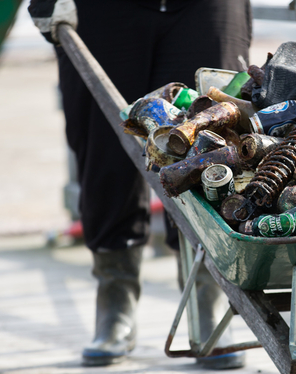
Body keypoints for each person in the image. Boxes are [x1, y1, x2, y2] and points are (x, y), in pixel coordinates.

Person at [28, 0, 252, 369]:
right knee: (104, 154)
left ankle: (206, 300)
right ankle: (115, 298)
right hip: (104, 11)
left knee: (214, 140)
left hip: (205, 8)